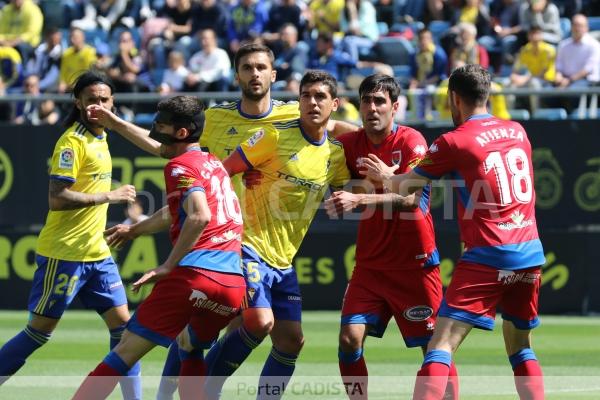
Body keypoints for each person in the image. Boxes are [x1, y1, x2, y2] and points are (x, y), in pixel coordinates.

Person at [86, 43, 357, 400]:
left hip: (281, 253)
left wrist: (386, 143)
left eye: (262, 67)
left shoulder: (297, 114)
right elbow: (167, 148)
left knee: (286, 340)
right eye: (247, 67)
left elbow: (338, 127)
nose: (255, 74)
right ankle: (182, 393)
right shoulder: (216, 121)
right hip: (232, 241)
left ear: (274, 75)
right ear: (237, 75)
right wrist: (116, 123)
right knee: (248, 324)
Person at [361, 64, 546, 400]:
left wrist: (387, 173)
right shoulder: (518, 131)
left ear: (454, 99)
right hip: (530, 253)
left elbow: (405, 186)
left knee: (441, 345)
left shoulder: (455, 140)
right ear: (487, 95)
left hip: (489, 254)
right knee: (520, 346)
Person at [71, 95, 246, 400]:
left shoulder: (179, 166)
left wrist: (167, 266)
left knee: (124, 350)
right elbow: (176, 211)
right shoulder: (212, 163)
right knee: (190, 347)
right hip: (231, 285)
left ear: (180, 132)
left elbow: (199, 215)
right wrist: (134, 230)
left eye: (160, 125)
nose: (153, 131)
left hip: (195, 274)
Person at [203, 69, 350, 399]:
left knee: (291, 341)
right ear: (298, 102)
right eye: (306, 96)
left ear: (335, 104)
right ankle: (202, 389)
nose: (312, 102)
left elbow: (349, 190)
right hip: (247, 245)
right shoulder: (272, 136)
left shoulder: (336, 156)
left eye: (320, 97)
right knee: (258, 321)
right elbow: (221, 174)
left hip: (282, 261)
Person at [0, 70, 141, 400]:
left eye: (104, 100)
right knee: (38, 333)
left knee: (127, 331)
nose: (98, 106)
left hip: (97, 254)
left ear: (113, 103)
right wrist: (110, 196)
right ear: (78, 103)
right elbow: (57, 197)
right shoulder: (72, 142)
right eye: (91, 100)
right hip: (64, 253)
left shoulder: (102, 137)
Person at [324, 74, 458, 400]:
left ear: (394, 107)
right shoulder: (353, 142)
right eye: (366, 101)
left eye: (380, 101)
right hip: (370, 267)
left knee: (433, 349)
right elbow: (327, 126)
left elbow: (411, 199)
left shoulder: (411, 141)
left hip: (415, 265)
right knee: (348, 339)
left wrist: (359, 199)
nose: (372, 108)